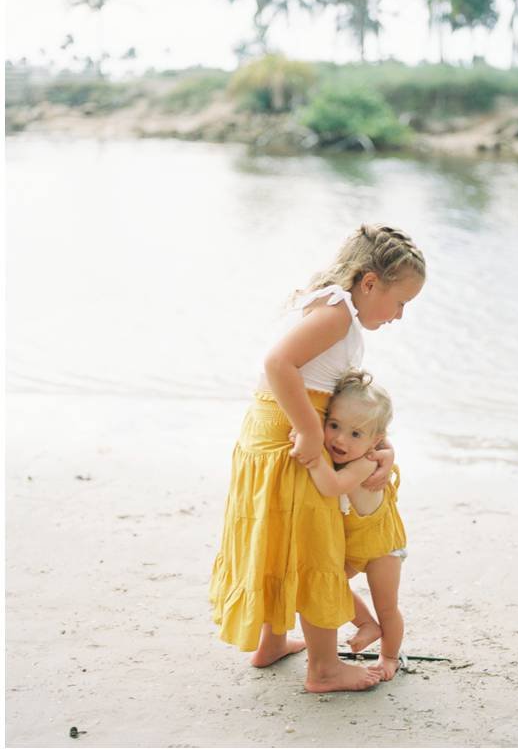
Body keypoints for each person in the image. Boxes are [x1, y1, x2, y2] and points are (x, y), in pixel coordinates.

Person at [209, 223, 425, 693]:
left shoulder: (329, 302)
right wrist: (309, 430)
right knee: (313, 547)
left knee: (282, 541)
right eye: (400, 302)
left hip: (272, 433)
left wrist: (378, 445)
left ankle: (272, 641)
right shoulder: (338, 316)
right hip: (292, 438)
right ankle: (325, 668)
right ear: (369, 283)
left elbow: (337, 395)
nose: (401, 315)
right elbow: (277, 363)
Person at [312, 369, 410, 683]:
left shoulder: (365, 462)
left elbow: (334, 486)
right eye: (334, 426)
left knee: (388, 607)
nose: (340, 439)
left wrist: (313, 458)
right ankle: (367, 625)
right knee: (331, 584)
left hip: (383, 548)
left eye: (356, 434)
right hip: (354, 547)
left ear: (375, 441)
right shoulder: (345, 453)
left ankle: (389, 655)